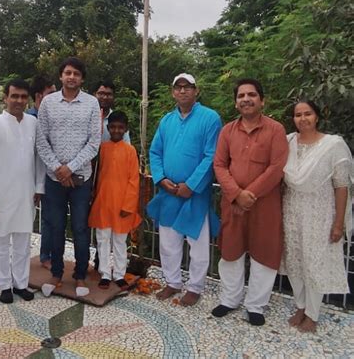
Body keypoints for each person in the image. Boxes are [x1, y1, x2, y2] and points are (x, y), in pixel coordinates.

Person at [212, 79, 288, 326]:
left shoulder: (276, 130)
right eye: (241, 95)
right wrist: (236, 194)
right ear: (236, 102)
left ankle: (256, 305)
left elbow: (276, 168)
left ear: (262, 100)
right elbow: (220, 165)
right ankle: (229, 299)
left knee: (264, 252)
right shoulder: (227, 131)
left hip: (264, 204)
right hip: (232, 203)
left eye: (252, 94)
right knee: (231, 251)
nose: (246, 99)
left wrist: (249, 194)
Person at [147, 73, 222, 307]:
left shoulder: (210, 118)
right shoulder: (167, 121)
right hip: (168, 192)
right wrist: (160, 179)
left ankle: (195, 286)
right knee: (168, 242)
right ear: (173, 92)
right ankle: (173, 282)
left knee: (197, 243)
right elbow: (155, 152)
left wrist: (191, 185)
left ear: (196, 90)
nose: (182, 91)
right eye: (178, 87)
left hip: (194, 193)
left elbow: (212, 155)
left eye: (187, 87)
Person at [281, 100, 352, 333]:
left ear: (317, 117)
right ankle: (300, 306)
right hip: (292, 210)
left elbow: (341, 186)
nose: (303, 118)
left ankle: (312, 313)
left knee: (314, 262)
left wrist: (338, 223)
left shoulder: (333, 145)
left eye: (308, 113)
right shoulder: (288, 142)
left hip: (320, 213)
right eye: (298, 115)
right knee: (295, 261)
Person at [0, 79, 46, 304]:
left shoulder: (33, 124)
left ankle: (21, 284)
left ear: (29, 99)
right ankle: (4, 285)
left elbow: (39, 159)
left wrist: (39, 186)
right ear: (5, 98)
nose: (19, 101)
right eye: (14, 96)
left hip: (25, 193)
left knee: (23, 242)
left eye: (23, 97)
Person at [36, 57, 101, 297]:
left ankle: (81, 275)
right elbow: (41, 140)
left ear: (82, 78)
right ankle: (56, 274)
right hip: (54, 180)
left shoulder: (92, 104)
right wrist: (58, 169)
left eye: (76, 73)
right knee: (55, 227)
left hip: (81, 179)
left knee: (81, 228)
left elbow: (94, 143)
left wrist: (70, 168)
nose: (71, 77)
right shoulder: (48, 103)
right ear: (61, 76)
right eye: (67, 73)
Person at [88, 111, 141, 290]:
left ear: (125, 129)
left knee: (119, 241)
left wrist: (129, 205)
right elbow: (95, 176)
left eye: (120, 127)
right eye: (113, 127)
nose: (116, 130)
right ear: (108, 128)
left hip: (122, 204)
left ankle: (119, 274)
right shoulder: (102, 148)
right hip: (103, 202)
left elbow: (134, 180)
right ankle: (104, 273)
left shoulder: (130, 150)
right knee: (102, 239)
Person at [26, 76, 56, 269]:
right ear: (39, 96)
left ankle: (48, 254)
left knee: (50, 217)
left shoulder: (53, 117)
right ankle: (43, 256)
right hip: (28, 177)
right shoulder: (29, 119)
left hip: (49, 175)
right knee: (30, 220)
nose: (55, 98)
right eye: (50, 94)